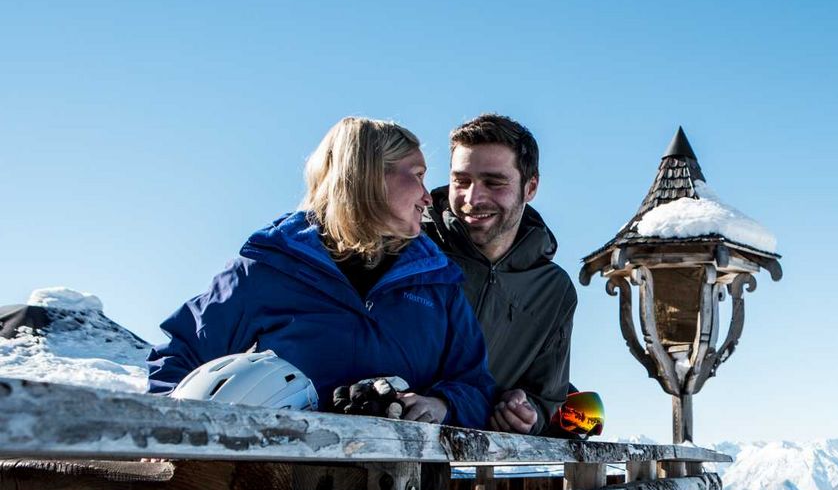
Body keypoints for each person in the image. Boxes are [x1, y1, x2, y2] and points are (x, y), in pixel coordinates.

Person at [148, 117, 496, 427]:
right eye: (417, 176)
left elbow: (475, 386)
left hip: (405, 487)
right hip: (276, 483)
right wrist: (164, 434)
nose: (427, 196)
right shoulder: (271, 266)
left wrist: (439, 405)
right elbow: (181, 358)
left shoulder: (438, 282)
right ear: (369, 176)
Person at [423, 114, 576, 435]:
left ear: (530, 186)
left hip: (459, 467)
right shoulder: (412, 247)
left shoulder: (554, 290)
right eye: (460, 181)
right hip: (368, 441)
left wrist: (526, 412)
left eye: (494, 182)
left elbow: (545, 395)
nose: (472, 198)